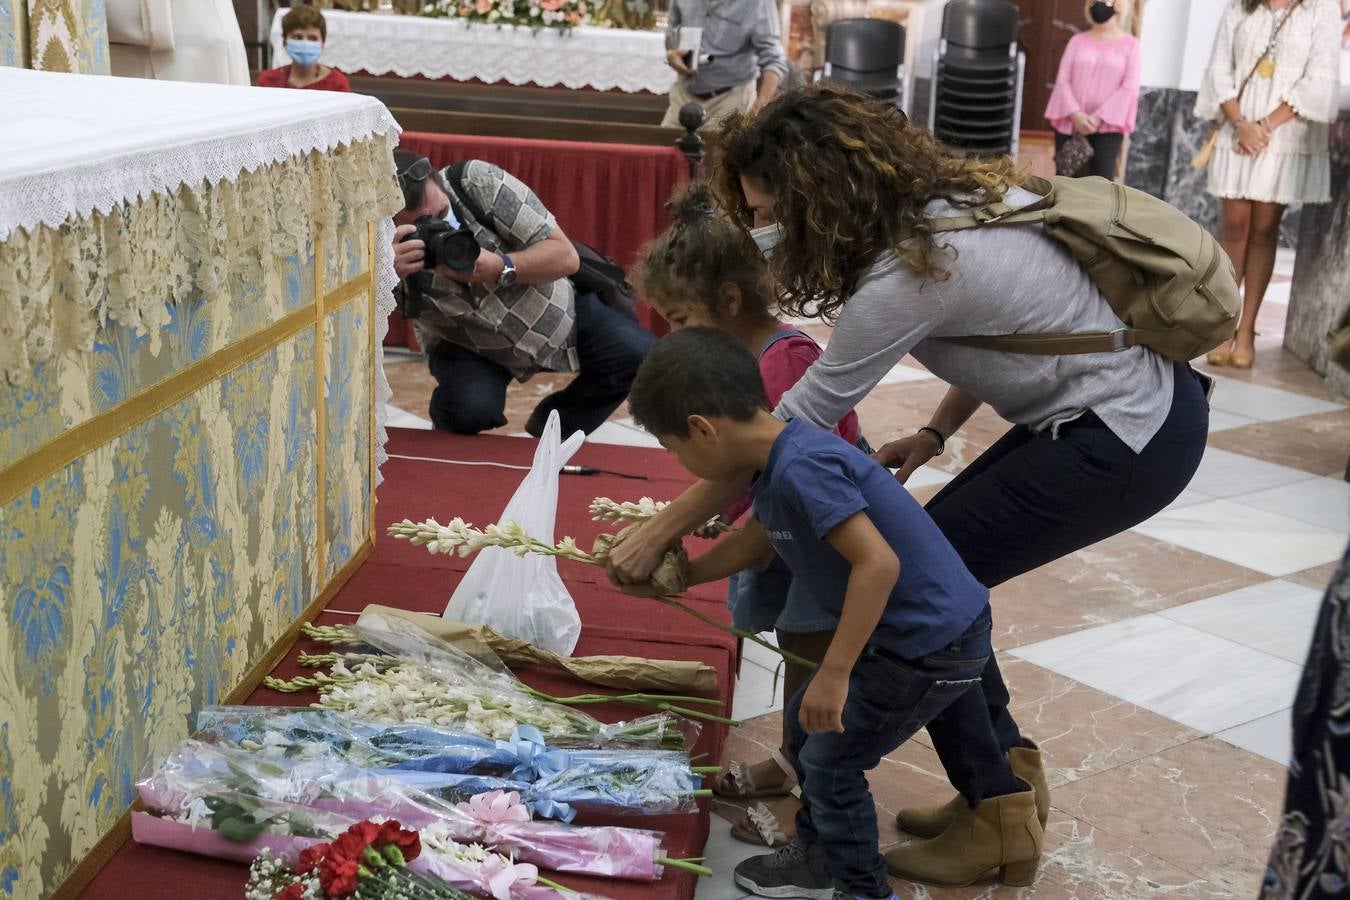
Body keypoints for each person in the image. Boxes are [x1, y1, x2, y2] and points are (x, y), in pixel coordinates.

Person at [606, 84, 1212, 887]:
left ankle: (997, 809)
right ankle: (1001, 793)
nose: (759, 231)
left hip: (1128, 436)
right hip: (1113, 415)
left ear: (820, 191)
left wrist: (663, 529)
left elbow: (790, 426)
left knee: (929, 599)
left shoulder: (904, 270)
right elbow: (1023, 331)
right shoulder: (939, 210)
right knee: (943, 586)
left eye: (765, 209)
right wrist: (935, 431)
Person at [621, 327, 1031, 899]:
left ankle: (862, 889)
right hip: (913, 634)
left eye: (674, 448)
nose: (681, 463)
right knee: (821, 751)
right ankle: (817, 858)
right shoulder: (774, 458)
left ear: (702, 429)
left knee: (833, 764)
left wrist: (835, 673)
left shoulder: (801, 465)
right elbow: (754, 546)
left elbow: (877, 565)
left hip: (929, 641)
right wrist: (680, 577)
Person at [639, 181, 869, 848]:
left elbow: (760, 463)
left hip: (822, 533)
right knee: (796, 649)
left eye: (680, 319)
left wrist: (687, 526)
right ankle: (796, 761)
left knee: (815, 652)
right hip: (782, 524)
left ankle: (818, 804)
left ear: (729, 301)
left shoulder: (785, 358)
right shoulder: (738, 357)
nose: (675, 335)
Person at [391, 150, 655, 436]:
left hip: (552, 313)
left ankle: (552, 429)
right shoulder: (375, 242)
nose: (437, 228)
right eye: (420, 227)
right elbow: (359, 320)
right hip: (464, 341)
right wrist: (385, 273)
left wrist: (501, 266)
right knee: (468, 410)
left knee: (640, 356)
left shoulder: (477, 183)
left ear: (440, 184)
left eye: (442, 214)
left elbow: (566, 256)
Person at [1196, 0, 1340, 369]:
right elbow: (1218, 68)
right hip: (1237, 130)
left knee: (1264, 230)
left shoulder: (1320, 10)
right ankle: (1222, 326)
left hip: (1283, 136)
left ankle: (1247, 330)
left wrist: (1265, 126)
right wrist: (1242, 123)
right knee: (1233, 229)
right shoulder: (1241, 7)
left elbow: (1320, 77)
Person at [1043, 0, 1141, 178]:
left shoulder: (1130, 45)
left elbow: (1129, 86)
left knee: (1100, 184)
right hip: (1071, 123)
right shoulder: (1077, 41)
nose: (1098, 5)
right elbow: (1063, 80)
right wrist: (1076, 114)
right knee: (1065, 180)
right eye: (1094, 1)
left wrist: (1098, 117)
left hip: (1107, 126)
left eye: (1104, 1)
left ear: (1118, 5)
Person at [661, 0, 789, 129]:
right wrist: (672, 53)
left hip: (731, 99)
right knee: (660, 147)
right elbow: (671, 32)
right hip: (684, 95)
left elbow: (774, 59)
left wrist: (760, 108)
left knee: (720, 149)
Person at [256, 6, 351, 92]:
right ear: (285, 41)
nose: (305, 43)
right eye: (297, 37)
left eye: (312, 38)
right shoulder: (268, 82)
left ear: (323, 43)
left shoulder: (337, 85)